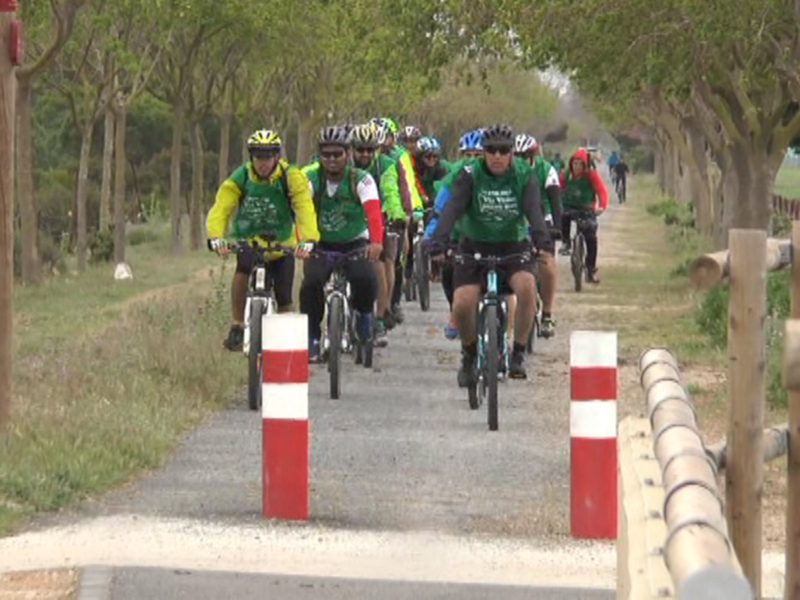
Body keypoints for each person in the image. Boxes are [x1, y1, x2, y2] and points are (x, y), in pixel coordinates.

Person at [429, 124, 552, 381]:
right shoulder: (468, 174)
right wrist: (439, 241)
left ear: (511, 153)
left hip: (512, 246)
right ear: (483, 152)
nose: (497, 156)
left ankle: (517, 352)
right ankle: (470, 355)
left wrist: (542, 239)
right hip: (474, 246)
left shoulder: (523, 174)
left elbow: (533, 210)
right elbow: (452, 209)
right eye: (491, 150)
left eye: (504, 150)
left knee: (528, 287)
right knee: (462, 303)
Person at [206, 129, 319, 351]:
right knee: (242, 270)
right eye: (258, 157)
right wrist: (216, 237)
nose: (263, 163)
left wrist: (309, 239)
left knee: (284, 296)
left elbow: (305, 208)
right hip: (250, 240)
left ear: (277, 156)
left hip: (282, 244)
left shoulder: (292, 176)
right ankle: (237, 325)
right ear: (251, 158)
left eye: (268, 157)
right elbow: (222, 206)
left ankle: (287, 348)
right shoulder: (242, 176)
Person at [300, 126, 384, 362]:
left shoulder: (361, 179)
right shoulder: (309, 179)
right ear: (319, 156)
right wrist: (303, 241)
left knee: (364, 277)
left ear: (348, 154)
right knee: (311, 285)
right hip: (321, 244)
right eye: (326, 155)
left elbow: (374, 213)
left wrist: (376, 242)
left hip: (355, 242)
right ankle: (312, 338)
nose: (332, 160)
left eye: (337, 154)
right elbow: (302, 210)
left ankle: (365, 317)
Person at [424, 128, 484, 339]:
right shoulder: (454, 176)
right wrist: (431, 236)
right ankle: (455, 311)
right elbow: (439, 210)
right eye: (467, 155)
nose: (472, 160)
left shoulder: (498, 176)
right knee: (449, 270)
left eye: (477, 156)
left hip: (491, 239)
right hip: (459, 237)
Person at [349, 122, 405, 339]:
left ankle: (380, 316)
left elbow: (391, 190)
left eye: (369, 150)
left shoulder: (386, 165)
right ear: (351, 149)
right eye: (360, 149)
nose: (364, 154)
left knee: (380, 261)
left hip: (378, 216)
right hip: (350, 218)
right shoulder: (344, 164)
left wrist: (397, 214)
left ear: (377, 149)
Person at [512, 134, 562, 338]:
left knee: (547, 264)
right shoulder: (506, 172)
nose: (521, 160)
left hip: (544, 220)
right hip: (517, 220)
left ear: (533, 155)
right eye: (517, 156)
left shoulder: (547, 170)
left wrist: (558, 229)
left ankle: (548, 314)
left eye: (525, 156)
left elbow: (556, 201)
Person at [559, 147, 608, 283]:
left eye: (580, 164)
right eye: (575, 164)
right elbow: (557, 189)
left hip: (587, 208)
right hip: (568, 206)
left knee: (591, 237)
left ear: (585, 165)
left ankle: (590, 270)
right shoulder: (565, 175)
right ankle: (566, 242)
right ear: (571, 163)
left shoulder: (591, 175)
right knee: (563, 216)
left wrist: (601, 206)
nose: (577, 167)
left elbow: (601, 191)